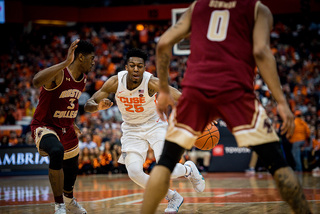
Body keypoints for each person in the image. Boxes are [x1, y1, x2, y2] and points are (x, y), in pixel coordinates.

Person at [141, 1, 312, 214]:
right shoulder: (258, 9)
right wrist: (282, 102)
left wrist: (165, 90)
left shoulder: (197, 7)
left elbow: (164, 43)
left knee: (165, 164)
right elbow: (260, 51)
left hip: (196, 90)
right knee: (279, 166)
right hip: (236, 91)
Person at [84, 48, 205, 213]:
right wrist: (97, 106)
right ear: (126, 66)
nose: (135, 69)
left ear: (144, 68)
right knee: (134, 172)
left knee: (165, 168)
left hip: (155, 124)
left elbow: (177, 95)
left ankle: (189, 169)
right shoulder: (114, 82)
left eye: (139, 66)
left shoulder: (151, 82)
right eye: (132, 65)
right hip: (131, 129)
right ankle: (173, 197)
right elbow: (88, 104)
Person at [31, 39, 94, 214]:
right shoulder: (60, 73)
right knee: (57, 151)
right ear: (80, 57)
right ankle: (59, 206)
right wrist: (65, 62)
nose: (94, 62)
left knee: (72, 168)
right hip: (45, 126)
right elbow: (36, 81)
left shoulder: (83, 79)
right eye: (91, 58)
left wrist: (72, 122)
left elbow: (69, 102)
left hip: (66, 127)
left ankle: (69, 201)